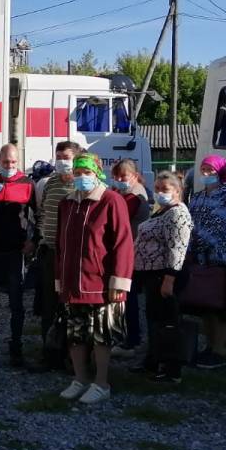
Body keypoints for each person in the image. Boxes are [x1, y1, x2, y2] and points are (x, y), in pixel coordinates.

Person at [55, 153, 134, 404]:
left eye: (86, 173)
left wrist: (119, 283)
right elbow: (60, 244)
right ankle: (80, 378)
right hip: (72, 282)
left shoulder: (111, 200)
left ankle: (101, 383)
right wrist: (59, 280)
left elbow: (123, 244)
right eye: (77, 173)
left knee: (102, 335)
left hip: (100, 284)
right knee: (75, 334)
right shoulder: (67, 203)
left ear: (97, 172)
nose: (81, 177)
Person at [0, 143, 36, 366]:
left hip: (15, 252)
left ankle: (16, 348)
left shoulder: (27, 183)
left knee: (16, 305)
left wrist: (34, 240)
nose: (9, 166)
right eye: (5, 162)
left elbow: (37, 214)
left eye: (13, 162)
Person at [133, 172, 193, 383]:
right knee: (155, 320)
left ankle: (171, 368)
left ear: (177, 191)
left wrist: (169, 279)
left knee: (168, 323)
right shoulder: (163, 211)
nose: (159, 193)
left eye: (165, 190)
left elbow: (177, 249)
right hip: (152, 274)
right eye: (157, 189)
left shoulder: (177, 214)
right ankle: (154, 360)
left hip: (165, 276)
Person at [186, 155, 226, 369]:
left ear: (220, 171)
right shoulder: (197, 196)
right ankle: (208, 346)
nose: (206, 174)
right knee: (205, 304)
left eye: (210, 170)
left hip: (217, 258)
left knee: (218, 306)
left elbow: (221, 224)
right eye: (203, 169)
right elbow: (190, 221)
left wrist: (199, 242)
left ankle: (218, 349)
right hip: (198, 259)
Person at [32, 140, 80, 368]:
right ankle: (49, 354)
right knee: (49, 306)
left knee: (71, 306)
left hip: (72, 255)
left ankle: (73, 357)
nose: (62, 162)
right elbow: (43, 212)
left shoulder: (82, 185)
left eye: (66, 158)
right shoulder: (50, 182)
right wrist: (40, 237)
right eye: (58, 157)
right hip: (49, 251)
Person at [108, 159, 152, 357]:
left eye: (123, 176)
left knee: (128, 297)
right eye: (116, 176)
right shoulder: (125, 193)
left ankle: (133, 339)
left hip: (132, 254)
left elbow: (116, 215)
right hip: (127, 251)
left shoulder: (135, 196)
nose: (118, 180)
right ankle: (126, 335)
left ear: (134, 176)